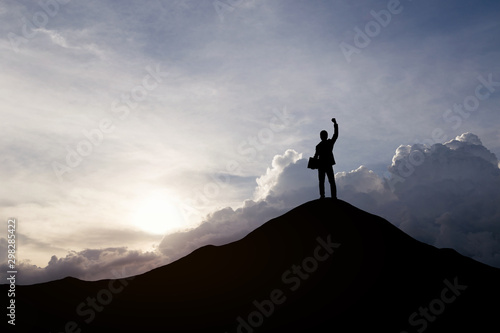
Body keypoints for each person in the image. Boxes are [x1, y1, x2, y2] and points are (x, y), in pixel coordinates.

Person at [314, 118, 338, 199]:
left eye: (324, 135)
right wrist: (313, 163)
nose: (323, 136)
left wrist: (335, 124)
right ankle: (323, 196)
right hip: (322, 165)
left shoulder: (328, 143)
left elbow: (335, 135)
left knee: (330, 181)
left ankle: (333, 196)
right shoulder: (319, 146)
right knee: (322, 181)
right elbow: (315, 156)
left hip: (327, 164)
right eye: (322, 135)